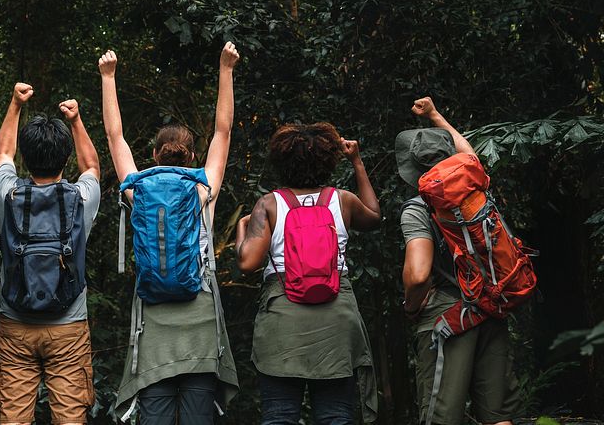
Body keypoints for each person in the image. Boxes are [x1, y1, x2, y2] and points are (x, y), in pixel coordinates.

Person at [102, 43, 242, 423]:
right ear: (192, 157)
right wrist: (225, 69)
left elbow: (116, 138)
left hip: (153, 322)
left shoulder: (138, 189)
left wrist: (108, 78)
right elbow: (223, 131)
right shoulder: (203, 189)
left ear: (154, 156)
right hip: (199, 315)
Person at [235, 122, 381, 425]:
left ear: (281, 162)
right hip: (336, 324)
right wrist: (356, 161)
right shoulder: (342, 200)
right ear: (328, 162)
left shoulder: (269, 204)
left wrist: (241, 230)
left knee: (280, 418)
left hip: (283, 324)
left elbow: (248, 263)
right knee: (336, 417)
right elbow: (374, 217)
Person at [398, 97, 519, 425]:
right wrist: (436, 116)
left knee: (441, 418)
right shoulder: (477, 191)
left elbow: (419, 274)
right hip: (491, 307)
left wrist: (411, 307)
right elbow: (468, 156)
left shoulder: (419, 208)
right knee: (498, 417)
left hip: (449, 319)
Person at [0, 82, 102, 425]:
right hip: (68, 326)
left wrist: (15, 103)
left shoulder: (7, 193)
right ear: (65, 159)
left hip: (15, 323)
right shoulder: (82, 197)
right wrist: (76, 120)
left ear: (25, 158)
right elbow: (92, 167)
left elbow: (2, 154)